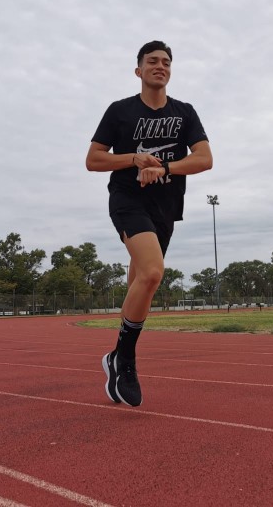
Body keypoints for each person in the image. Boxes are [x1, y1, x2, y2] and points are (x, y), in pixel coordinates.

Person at [85, 40, 213, 406]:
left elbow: (204, 158)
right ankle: (124, 360)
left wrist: (165, 167)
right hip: (128, 200)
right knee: (154, 273)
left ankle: (116, 354)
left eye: (166, 62)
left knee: (140, 282)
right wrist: (134, 160)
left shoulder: (185, 112)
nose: (160, 66)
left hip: (165, 206)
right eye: (152, 61)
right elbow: (94, 159)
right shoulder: (120, 111)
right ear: (138, 70)